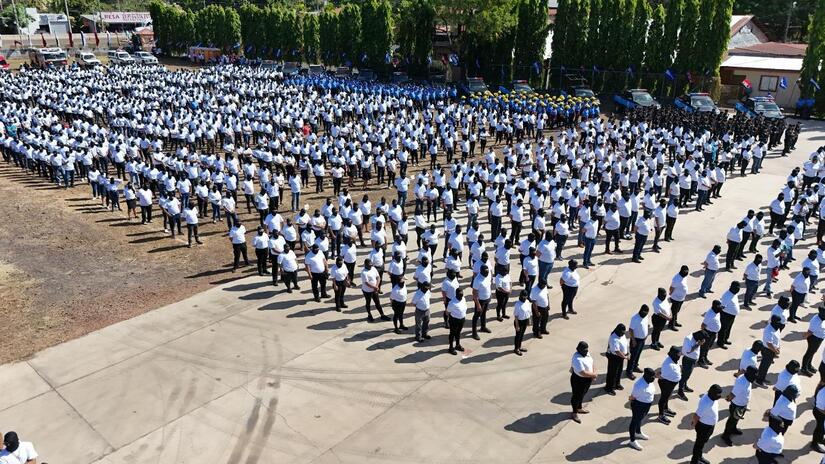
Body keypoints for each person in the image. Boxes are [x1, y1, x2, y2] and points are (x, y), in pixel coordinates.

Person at [721, 366, 758, 446]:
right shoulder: (742, 382)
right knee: (732, 420)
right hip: (737, 406)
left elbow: (740, 372)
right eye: (754, 375)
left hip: (742, 405)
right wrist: (728, 399)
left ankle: (733, 429)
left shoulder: (747, 378)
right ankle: (725, 435)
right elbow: (732, 394)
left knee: (736, 419)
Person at [691, 384, 723, 464]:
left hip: (709, 426)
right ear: (713, 393)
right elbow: (696, 416)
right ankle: (694, 461)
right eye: (718, 394)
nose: (720, 396)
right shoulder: (705, 403)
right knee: (699, 445)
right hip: (703, 427)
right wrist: (694, 424)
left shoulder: (711, 397)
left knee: (702, 443)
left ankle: (699, 457)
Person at [627, 367, 657, 451]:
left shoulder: (649, 381)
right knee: (635, 421)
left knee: (640, 419)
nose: (653, 378)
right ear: (646, 376)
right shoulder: (639, 385)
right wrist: (631, 401)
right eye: (652, 377)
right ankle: (632, 440)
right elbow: (633, 397)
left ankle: (638, 432)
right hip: (639, 405)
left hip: (647, 404)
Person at [570, 341, 597, 423]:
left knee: (582, 394)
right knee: (576, 396)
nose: (586, 351)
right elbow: (582, 372)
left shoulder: (587, 353)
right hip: (578, 380)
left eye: (587, 349)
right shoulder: (577, 358)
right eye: (584, 350)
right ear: (579, 350)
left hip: (587, 379)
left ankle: (579, 408)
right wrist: (593, 375)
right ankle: (574, 412)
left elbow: (592, 362)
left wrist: (594, 373)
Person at [678, 330, 706, 400]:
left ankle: (684, 386)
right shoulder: (688, 339)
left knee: (687, 375)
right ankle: (680, 391)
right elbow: (688, 351)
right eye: (702, 340)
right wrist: (698, 344)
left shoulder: (696, 338)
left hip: (692, 361)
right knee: (684, 376)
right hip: (688, 361)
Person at [756, 315, 784, 387]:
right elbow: (769, 344)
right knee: (764, 366)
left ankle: (762, 377)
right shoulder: (769, 330)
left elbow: (777, 338)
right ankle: (759, 380)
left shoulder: (776, 327)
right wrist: (775, 351)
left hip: (772, 350)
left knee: (766, 366)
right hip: (768, 350)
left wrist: (778, 347)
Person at [656, 346, 681, 425]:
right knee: (663, 398)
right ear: (674, 354)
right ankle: (661, 415)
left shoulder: (673, 359)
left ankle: (665, 409)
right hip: (666, 383)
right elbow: (661, 376)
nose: (680, 355)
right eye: (678, 354)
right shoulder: (668, 364)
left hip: (670, 383)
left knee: (667, 396)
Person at [626, 304, 650, 380]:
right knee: (633, 356)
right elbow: (631, 330)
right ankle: (629, 371)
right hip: (636, 340)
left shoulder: (646, 316)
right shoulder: (635, 318)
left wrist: (645, 335)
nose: (645, 314)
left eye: (646, 312)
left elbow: (646, 325)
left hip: (642, 339)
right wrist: (633, 340)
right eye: (644, 312)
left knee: (638, 354)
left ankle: (635, 367)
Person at [605, 323, 629, 396]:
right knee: (612, 373)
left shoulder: (621, 334)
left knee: (619, 371)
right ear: (618, 331)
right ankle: (609, 388)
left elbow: (626, 343)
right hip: (614, 357)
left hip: (620, 357)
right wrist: (625, 357)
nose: (623, 334)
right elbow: (617, 351)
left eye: (624, 332)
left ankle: (617, 384)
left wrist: (628, 352)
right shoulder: (614, 338)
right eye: (622, 332)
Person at [717, 281, 742, 348]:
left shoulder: (734, 293)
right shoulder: (726, 295)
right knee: (723, 329)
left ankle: (725, 339)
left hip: (732, 315)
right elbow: (722, 306)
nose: (738, 289)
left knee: (728, 328)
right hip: (726, 315)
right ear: (731, 287)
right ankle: (720, 342)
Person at [698, 300, 722, 368]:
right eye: (718, 306)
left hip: (713, 333)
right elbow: (703, 325)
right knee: (704, 347)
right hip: (708, 333)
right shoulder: (710, 314)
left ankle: (705, 358)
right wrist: (704, 334)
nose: (720, 308)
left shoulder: (717, 311)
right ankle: (700, 361)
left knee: (708, 347)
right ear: (714, 306)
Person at [803, 303, 825, 376]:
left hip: (819, 338)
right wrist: (805, 336)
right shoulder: (816, 321)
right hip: (814, 339)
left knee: (813, 352)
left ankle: (809, 365)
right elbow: (809, 332)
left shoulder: (822, 318)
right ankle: (804, 368)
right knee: (809, 353)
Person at [471, 264, 493, 339]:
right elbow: (474, 293)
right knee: (476, 316)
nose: (487, 273)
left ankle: (483, 327)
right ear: (481, 272)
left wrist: (490, 295)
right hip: (480, 301)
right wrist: (478, 305)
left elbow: (489, 285)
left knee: (484, 313)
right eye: (485, 272)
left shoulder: (488, 275)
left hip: (487, 299)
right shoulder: (477, 280)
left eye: (487, 272)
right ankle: (474, 333)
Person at [447, 288, 468, 355]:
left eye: (462, 294)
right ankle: (451, 348)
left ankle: (457, 345)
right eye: (459, 295)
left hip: (462, 319)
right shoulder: (452, 302)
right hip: (454, 320)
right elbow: (447, 312)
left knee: (458, 332)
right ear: (456, 294)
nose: (461, 296)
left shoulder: (463, 299)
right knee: (452, 333)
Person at [669, 266, 689, 330]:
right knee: (674, 312)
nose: (686, 273)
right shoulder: (676, 278)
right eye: (685, 272)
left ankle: (675, 321)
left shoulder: (684, 276)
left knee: (677, 311)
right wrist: (671, 293)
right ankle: (671, 325)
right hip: (676, 298)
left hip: (681, 298)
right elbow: (671, 287)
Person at [513, 290, 531, 356]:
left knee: (522, 335)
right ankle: (516, 349)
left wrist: (529, 320)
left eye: (526, 297)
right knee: (518, 336)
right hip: (519, 322)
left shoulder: (527, 302)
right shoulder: (517, 304)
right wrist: (517, 326)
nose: (525, 298)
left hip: (525, 321)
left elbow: (528, 312)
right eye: (523, 297)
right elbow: (516, 316)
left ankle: (519, 347)